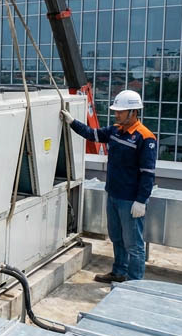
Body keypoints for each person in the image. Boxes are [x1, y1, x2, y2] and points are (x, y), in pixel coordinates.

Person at [60, 89, 157, 283]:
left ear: (133, 112)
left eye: (120, 111)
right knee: (117, 238)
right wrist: (72, 122)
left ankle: (134, 283)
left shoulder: (145, 137)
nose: (116, 114)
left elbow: (148, 173)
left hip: (130, 200)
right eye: (116, 111)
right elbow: (92, 134)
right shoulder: (115, 130)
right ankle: (119, 272)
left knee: (134, 244)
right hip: (113, 194)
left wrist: (141, 201)